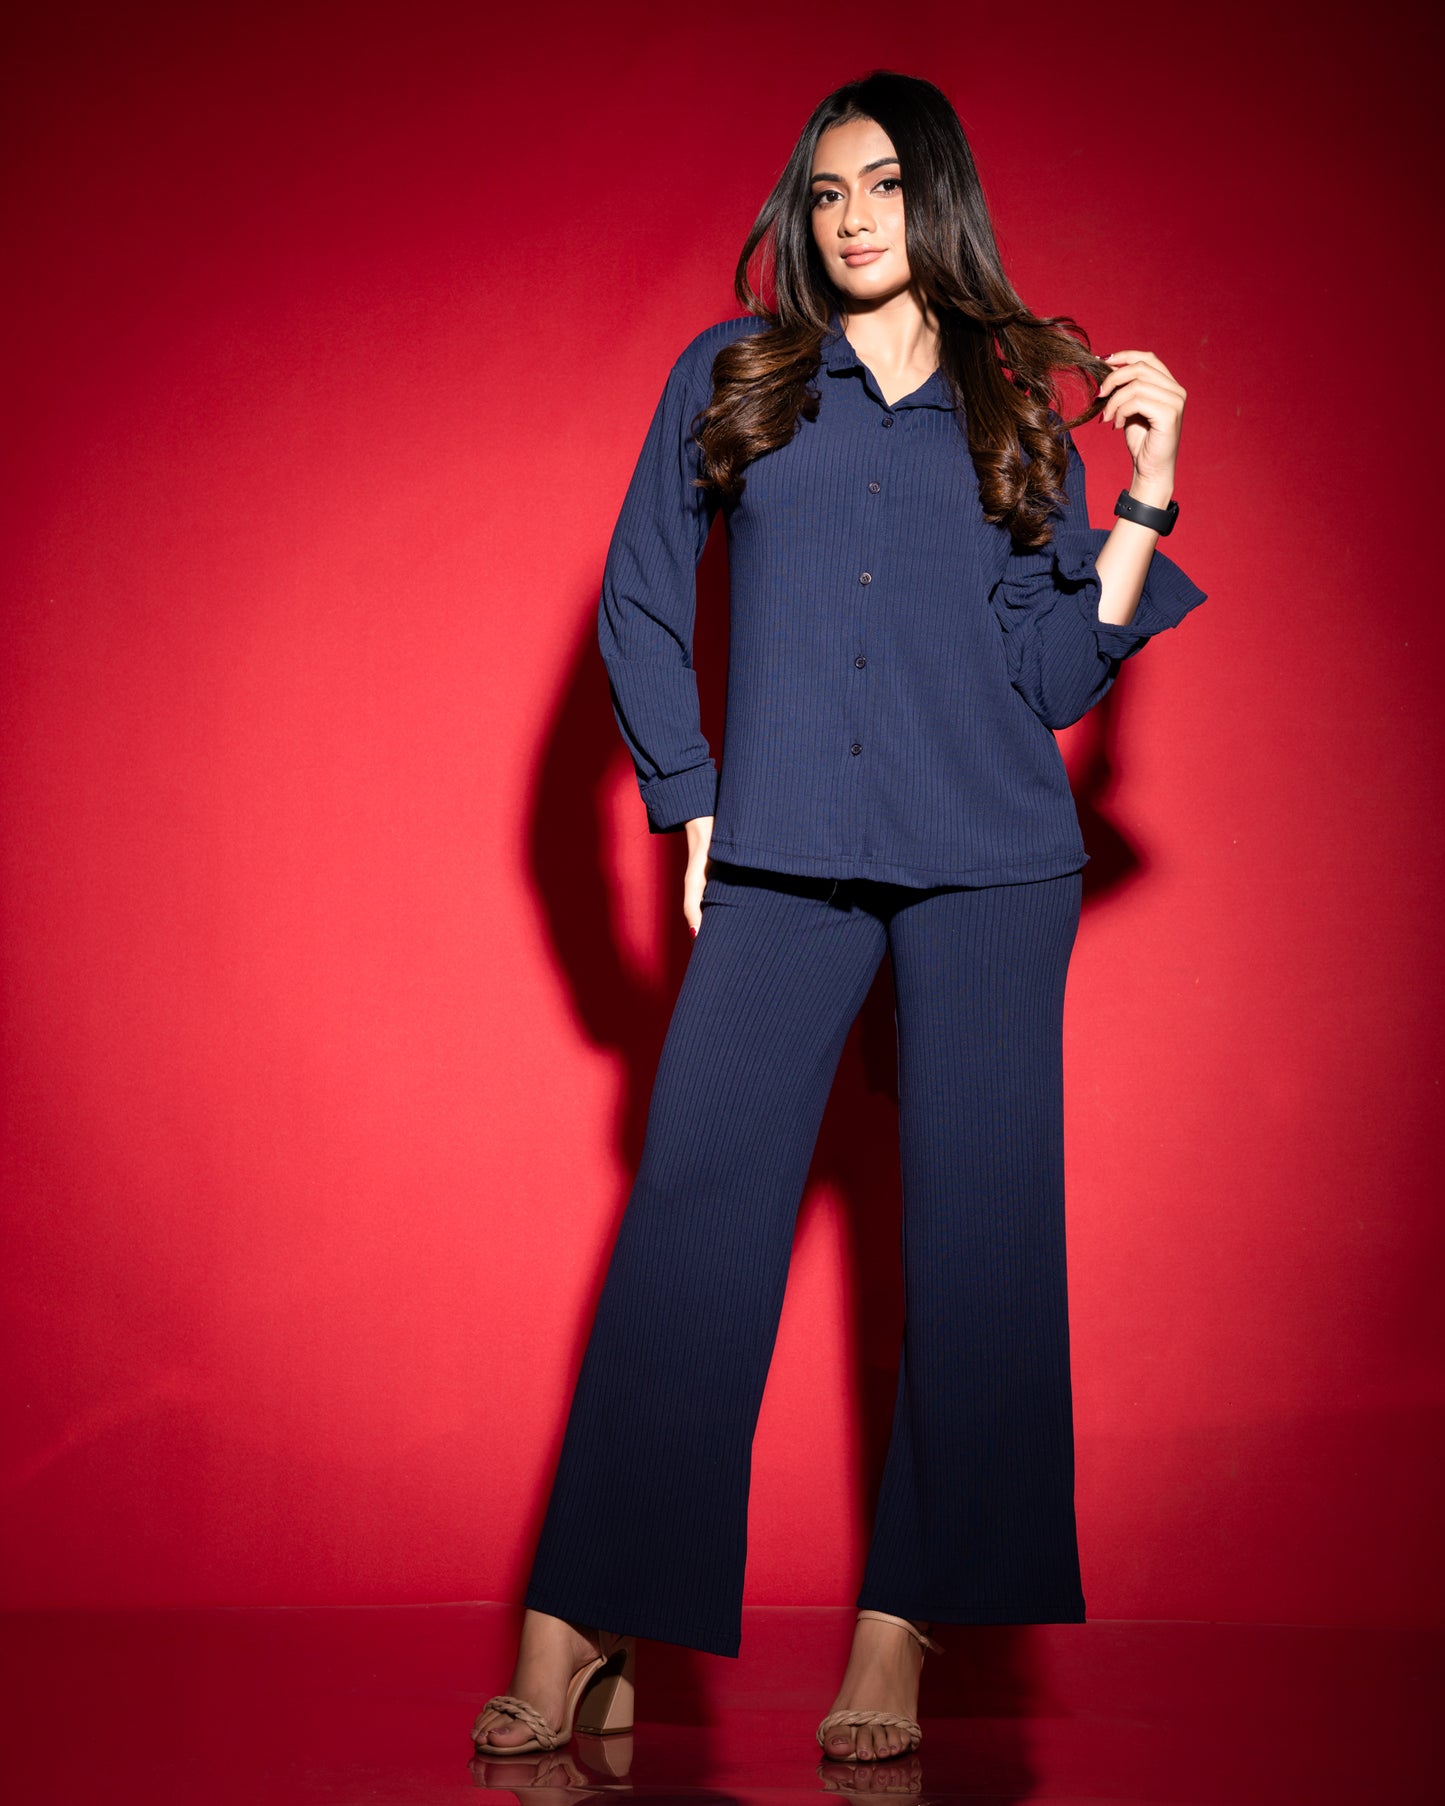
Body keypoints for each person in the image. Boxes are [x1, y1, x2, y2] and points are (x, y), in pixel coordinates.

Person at [471, 68, 1207, 1765]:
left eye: (879, 184)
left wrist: (1147, 494)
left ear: (933, 196)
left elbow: (1049, 674)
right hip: (784, 855)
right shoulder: (734, 374)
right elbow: (639, 596)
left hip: (991, 866)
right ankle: (584, 1615)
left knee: (976, 1248)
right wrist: (689, 795)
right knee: (690, 1225)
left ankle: (903, 1622)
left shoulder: (1014, 394)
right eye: (823, 192)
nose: (851, 217)